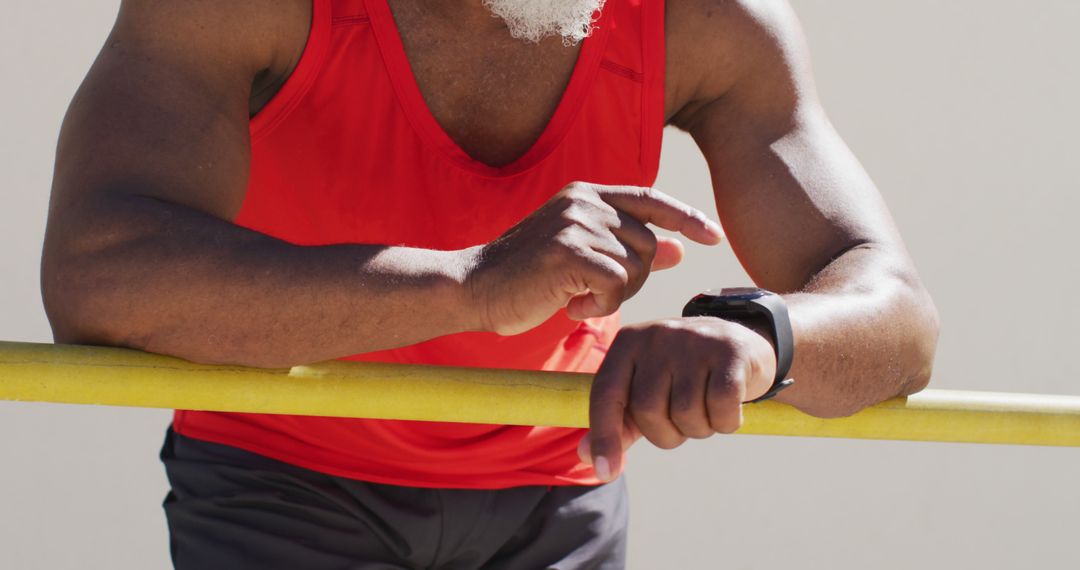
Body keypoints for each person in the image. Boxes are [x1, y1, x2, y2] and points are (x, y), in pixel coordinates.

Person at [40, 0, 940, 567]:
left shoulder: (712, 21)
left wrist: (756, 339)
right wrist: (470, 282)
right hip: (284, 485)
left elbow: (897, 318)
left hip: (563, 492)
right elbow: (96, 278)